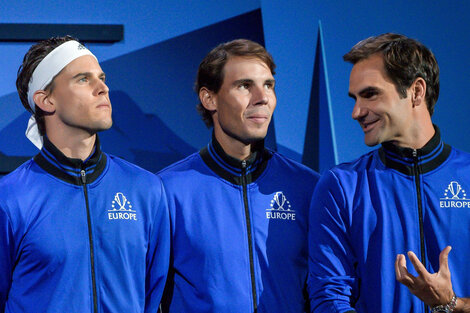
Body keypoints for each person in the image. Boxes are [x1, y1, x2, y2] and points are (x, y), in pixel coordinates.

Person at [0, 36, 170, 312]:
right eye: (83, 79)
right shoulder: (9, 198)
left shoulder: (146, 188)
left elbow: (154, 297)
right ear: (46, 99)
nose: (103, 88)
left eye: (101, 78)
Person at [307, 32, 470, 313]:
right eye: (354, 98)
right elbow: (329, 298)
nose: (356, 112)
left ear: (417, 92)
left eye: (370, 94)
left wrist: (452, 305)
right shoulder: (342, 186)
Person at [158, 39, 320, 312]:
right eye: (245, 86)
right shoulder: (166, 190)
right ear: (209, 98)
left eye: (268, 85)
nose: (262, 98)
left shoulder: (308, 187)